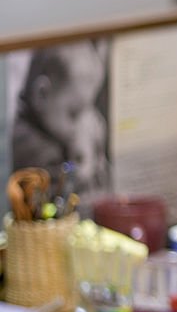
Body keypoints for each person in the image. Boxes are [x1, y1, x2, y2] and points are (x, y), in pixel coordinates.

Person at [11, 39, 111, 197]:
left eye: (89, 108)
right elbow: (61, 195)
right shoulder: (29, 144)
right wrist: (83, 170)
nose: (83, 124)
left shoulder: (54, 127)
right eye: (74, 112)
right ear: (42, 94)